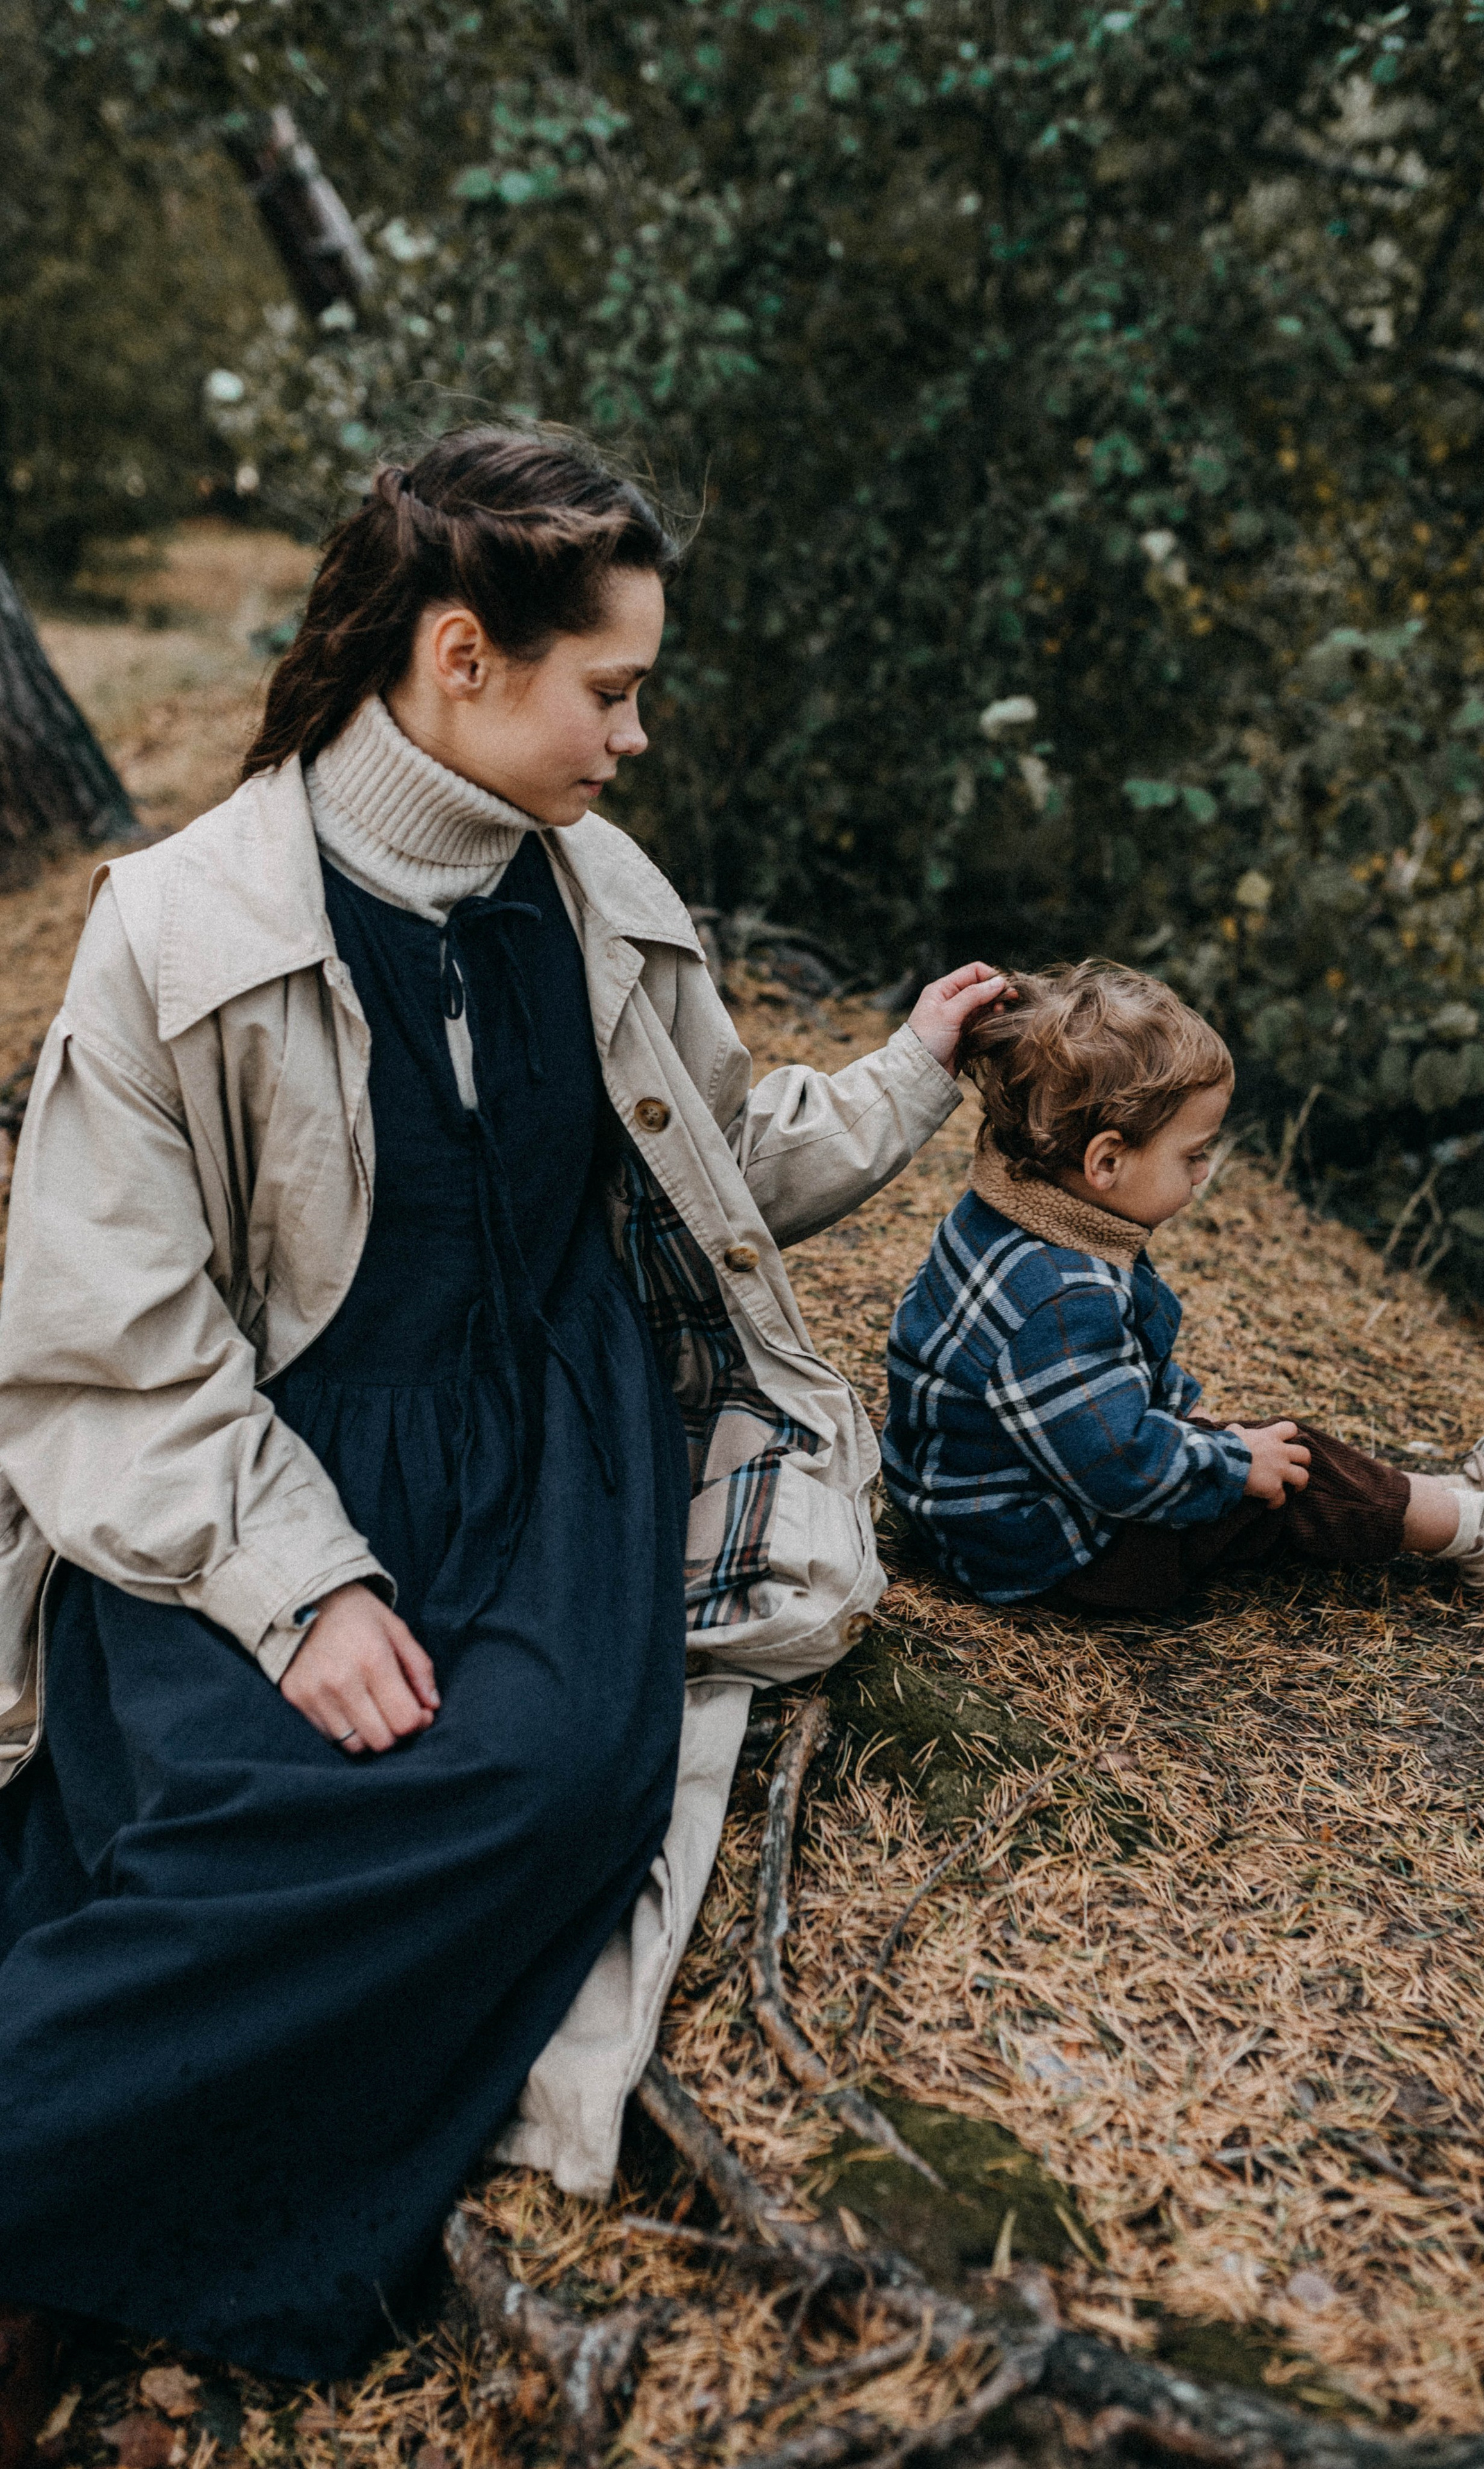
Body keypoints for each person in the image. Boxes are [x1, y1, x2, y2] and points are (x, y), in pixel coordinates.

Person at [0, 424, 1012, 2410]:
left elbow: (715, 1157)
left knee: (532, 1788)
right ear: (460, 653)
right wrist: (298, 1590)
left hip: (561, 1459)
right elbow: (109, 1339)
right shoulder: (180, 929)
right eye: (609, 689)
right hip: (251, 1459)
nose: (633, 739)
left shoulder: (605, 894)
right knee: (202, 1807)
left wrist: (903, 1073)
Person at [883, 961, 1484, 1613]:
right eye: (1193, 1153)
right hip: (1040, 1552)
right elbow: (1117, 1469)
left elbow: (1098, 1378)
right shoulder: (1057, 1293)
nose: (1205, 1172)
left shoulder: (1016, 1212)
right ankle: (1481, 1530)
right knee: (1291, 1469)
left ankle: (1462, 1487)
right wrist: (1235, 1463)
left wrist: (1180, 1417)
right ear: (1107, 1160)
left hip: (976, 1512)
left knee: (1254, 1449)